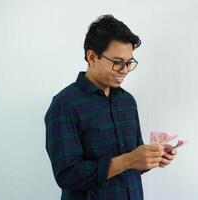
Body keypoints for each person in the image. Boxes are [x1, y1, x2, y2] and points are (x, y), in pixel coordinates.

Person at [44, 14, 178, 200]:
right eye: (117, 62)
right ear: (92, 57)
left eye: (129, 62)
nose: (124, 70)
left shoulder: (127, 102)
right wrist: (129, 159)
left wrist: (151, 158)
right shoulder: (64, 105)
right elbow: (67, 175)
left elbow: (133, 163)